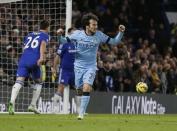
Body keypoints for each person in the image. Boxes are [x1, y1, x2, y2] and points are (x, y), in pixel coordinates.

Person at [57, 13, 125, 120]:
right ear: (87, 26)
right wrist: (59, 35)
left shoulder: (99, 35)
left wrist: (121, 32)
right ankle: (81, 109)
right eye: (93, 25)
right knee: (79, 89)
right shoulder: (77, 34)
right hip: (78, 67)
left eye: (96, 25)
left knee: (87, 87)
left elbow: (115, 42)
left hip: (91, 67)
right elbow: (63, 41)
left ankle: (81, 114)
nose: (95, 27)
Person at [8, 20, 50, 115]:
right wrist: (42, 57)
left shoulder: (29, 34)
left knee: (19, 81)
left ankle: (12, 102)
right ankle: (32, 105)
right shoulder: (45, 35)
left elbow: (24, 47)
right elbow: (43, 44)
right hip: (34, 60)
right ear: (47, 27)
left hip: (23, 59)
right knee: (39, 82)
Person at [51, 27, 76, 113]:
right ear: (69, 34)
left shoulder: (78, 44)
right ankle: (55, 108)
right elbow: (57, 56)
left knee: (79, 89)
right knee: (60, 88)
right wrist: (54, 68)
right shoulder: (64, 44)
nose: (75, 34)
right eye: (73, 33)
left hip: (75, 71)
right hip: (65, 70)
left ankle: (80, 110)